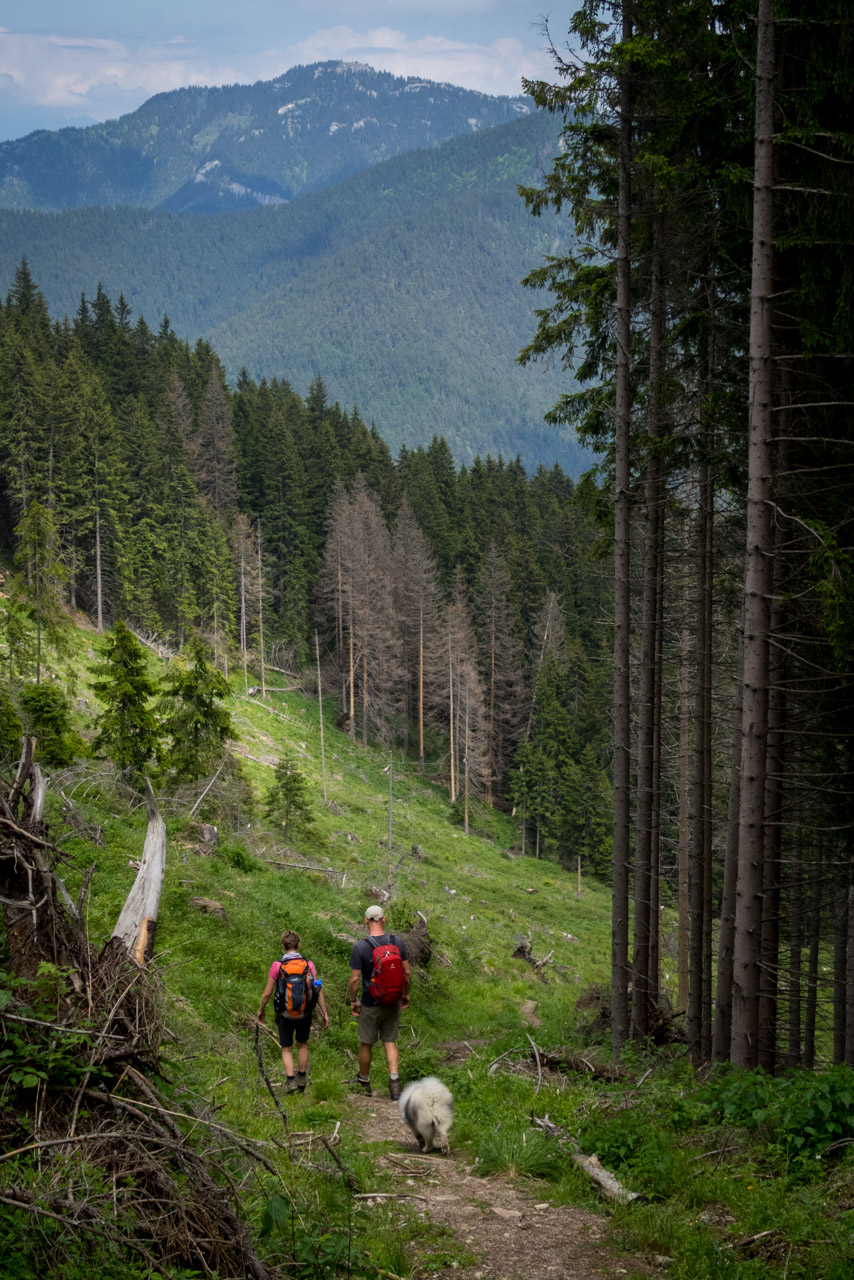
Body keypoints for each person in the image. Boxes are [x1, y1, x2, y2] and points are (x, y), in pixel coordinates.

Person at [348, 905, 411, 1100]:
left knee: (366, 1043)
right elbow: (407, 973)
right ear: (384, 919)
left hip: (370, 1001)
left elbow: (354, 979)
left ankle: (364, 1083)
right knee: (389, 1041)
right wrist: (406, 994)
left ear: (365, 921)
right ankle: (394, 1084)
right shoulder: (397, 942)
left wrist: (353, 1001)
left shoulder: (360, 946)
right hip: (392, 1001)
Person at [257, 929, 329, 1093]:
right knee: (302, 1045)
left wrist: (261, 1010)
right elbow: (317, 990)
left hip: (284, 1013)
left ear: (283, 946)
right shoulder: (308, 965)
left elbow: (267, 993)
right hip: (305, 1012)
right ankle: (302, 1080)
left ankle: (290, 1082)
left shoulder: (278, 966)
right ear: (299, 945)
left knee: (286, 1047)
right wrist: (324, 1013)